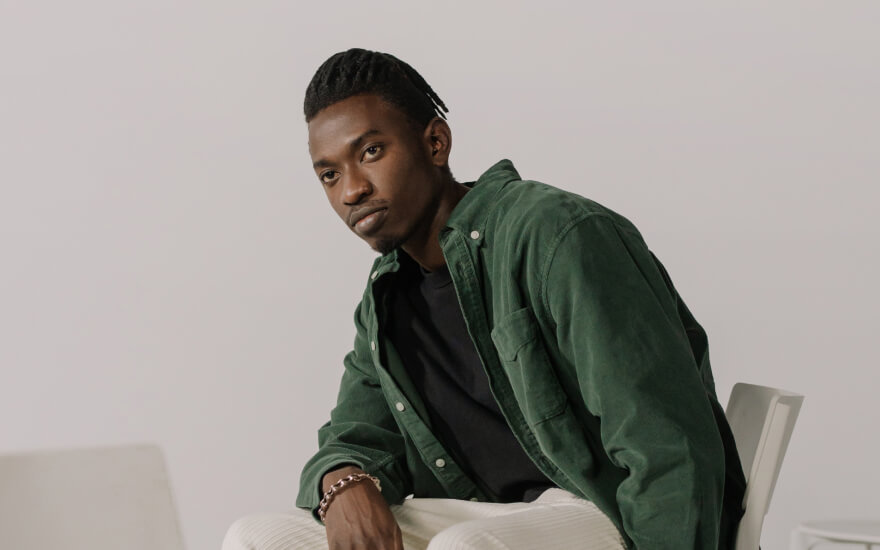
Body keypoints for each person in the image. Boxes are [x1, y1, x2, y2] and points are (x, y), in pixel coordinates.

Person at [223, 48, 746, 550]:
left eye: (371, 152)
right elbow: (355, 435)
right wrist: (343, 481)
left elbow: (666, 443)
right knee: (255, 537)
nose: (351, 190)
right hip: (489, 518)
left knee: (464, 545)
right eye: (329, 174)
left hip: (602, 508)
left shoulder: (556, 235)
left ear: (435, 143)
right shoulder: (387, 294)